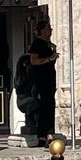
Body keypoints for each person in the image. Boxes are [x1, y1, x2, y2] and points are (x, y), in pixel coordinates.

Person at [25, 16, 59, 144]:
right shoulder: (37, 43)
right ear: (42, 30)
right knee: (44, 105)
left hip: (50, 78)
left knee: (50, 104)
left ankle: (49, 132)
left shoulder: (48, 44)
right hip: (41, 79)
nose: (51, 30)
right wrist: (49, 58)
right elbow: (34, 61)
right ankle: (43, 134)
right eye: (48, 28)